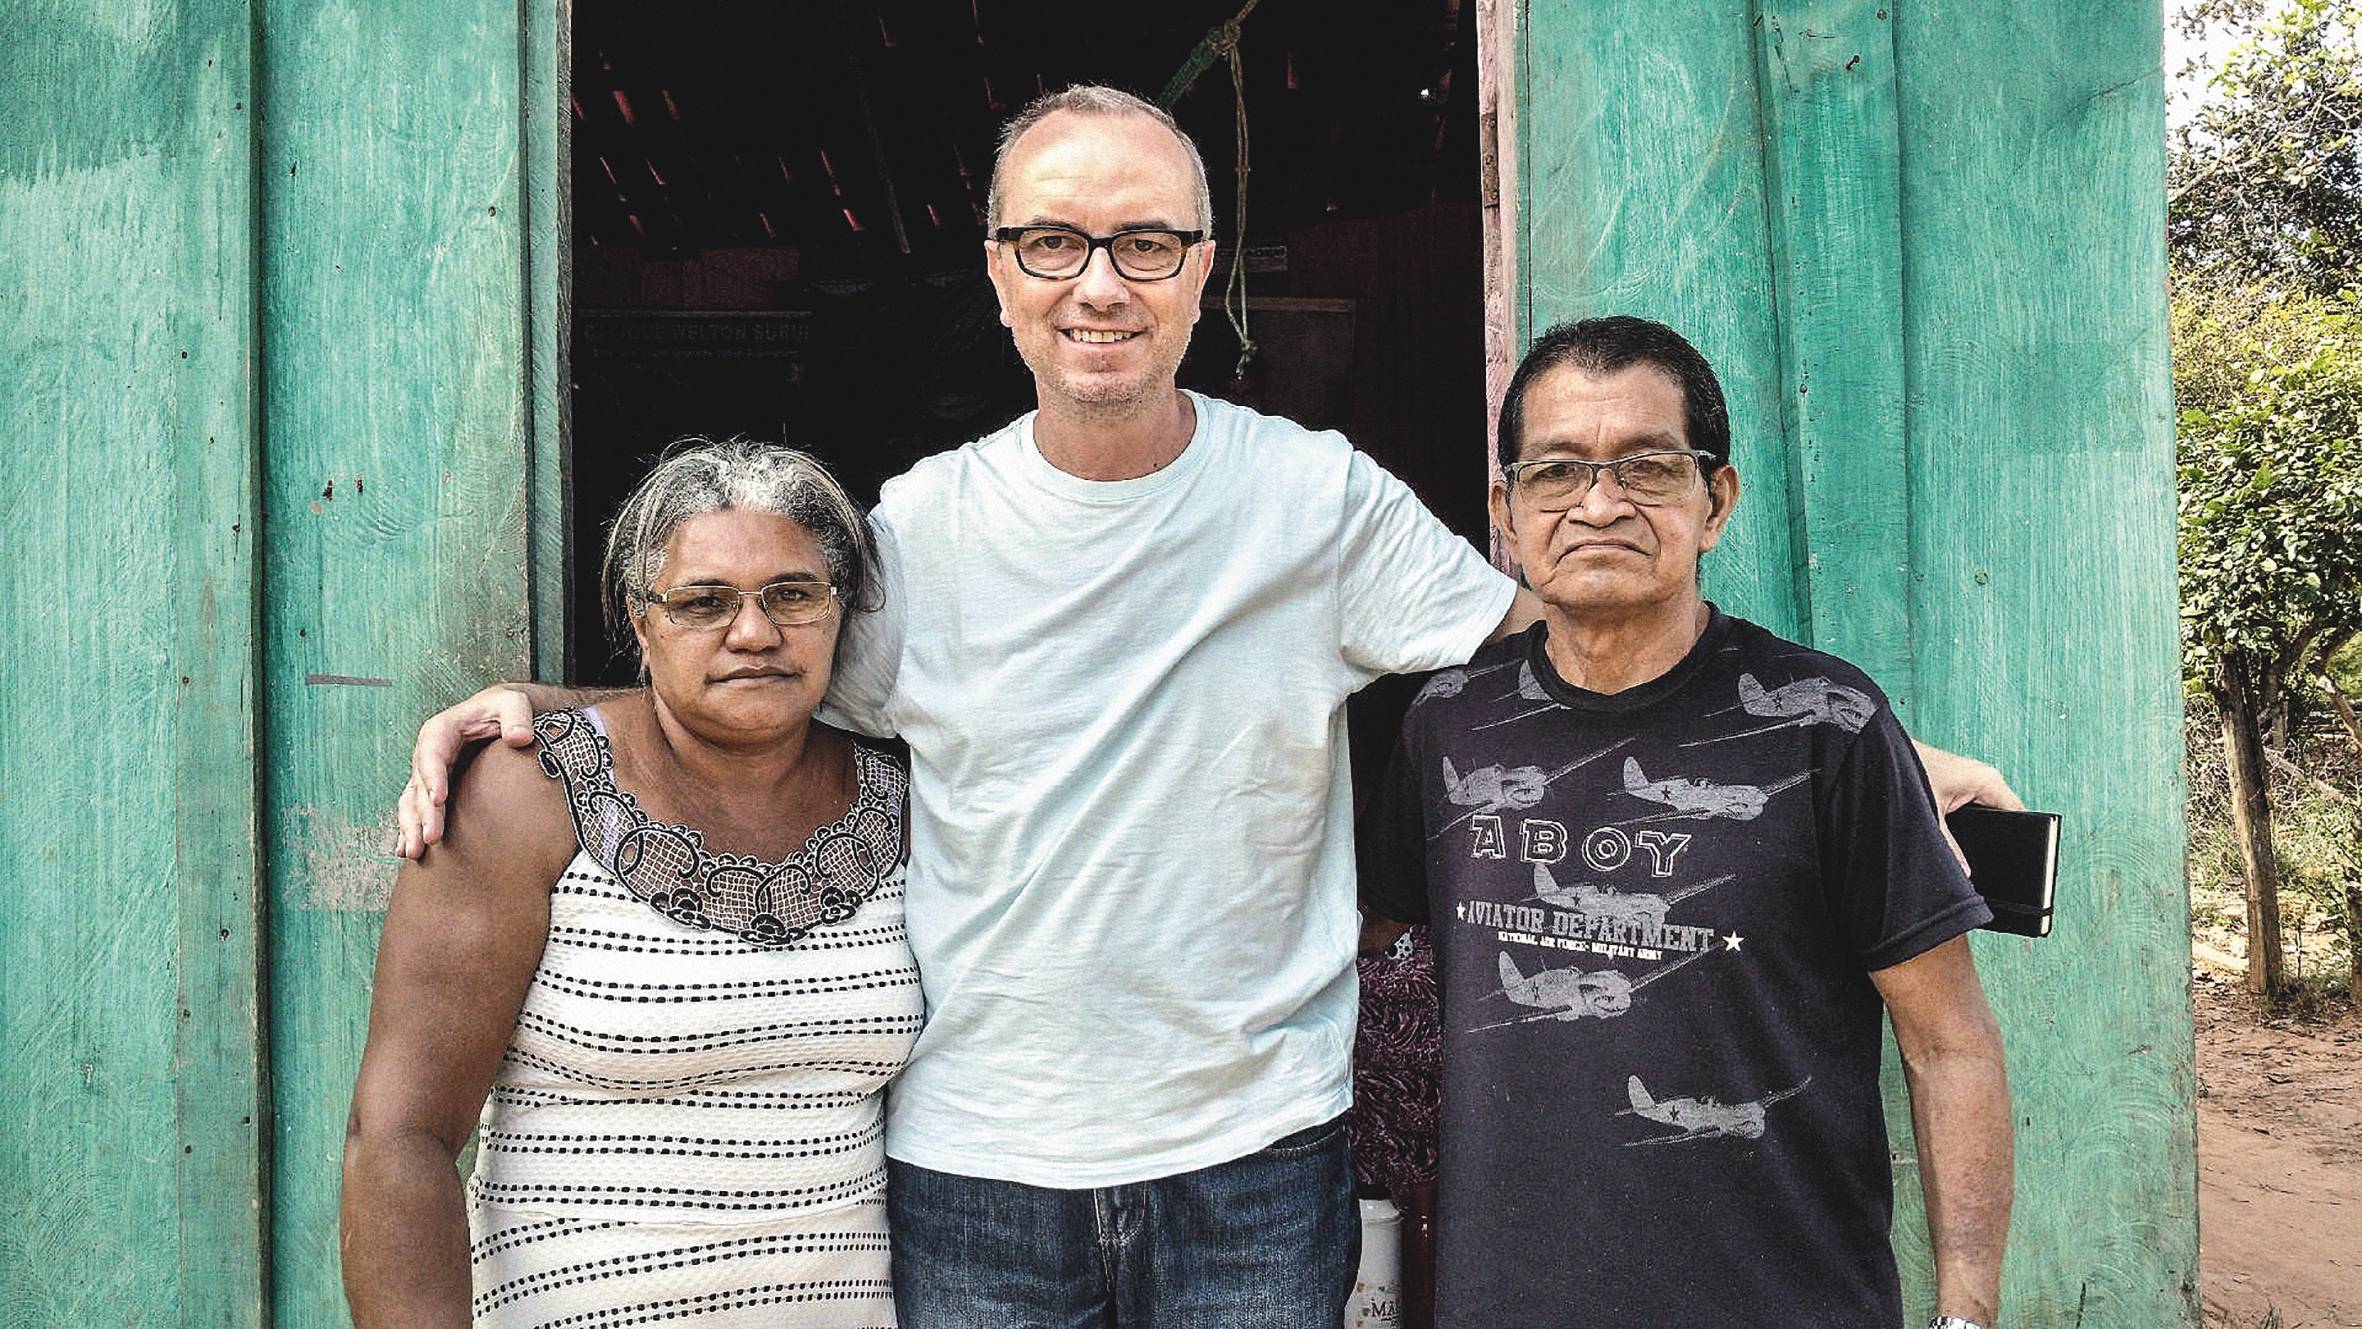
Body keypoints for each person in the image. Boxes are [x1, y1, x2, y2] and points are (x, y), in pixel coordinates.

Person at [393, 89, 2019, 1327]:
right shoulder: (917, 533)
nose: (1098, 284)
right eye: (1053, 243)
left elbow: (1570, 617)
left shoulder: (1316, 499)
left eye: (1144, 244)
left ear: (1200, 271)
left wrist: (1856, 741)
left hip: (1256, 1156)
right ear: (1000, 274)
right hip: (976, 1166)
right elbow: (756, 683)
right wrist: (553, 703)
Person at [1357, 316, 2016, 1329]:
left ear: (1716, 500)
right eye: (1556, 472)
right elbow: (1359, 949)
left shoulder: (1830, 729)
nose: (1599, 504)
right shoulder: (1447, 725)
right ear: (1506, 510)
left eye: (1649, 468)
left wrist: (1965, 1317)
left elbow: (1950, 1045)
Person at [340, 441, 922, 1328]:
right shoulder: (528, 797)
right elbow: (398, 1139)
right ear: (642, 625)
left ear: (841, 611)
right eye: (703, 602)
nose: (754, 632)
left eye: (793, 595)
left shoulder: (898, 806)